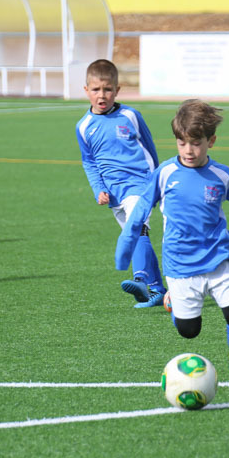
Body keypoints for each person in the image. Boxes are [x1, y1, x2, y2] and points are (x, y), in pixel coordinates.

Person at [115, 99, 229, 393]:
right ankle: (173, 300)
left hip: (219, 258)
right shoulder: (165, 173)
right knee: (189, 331)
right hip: (180, 264)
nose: (188, 150)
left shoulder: (223, 175)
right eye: (182, 143)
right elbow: (140, 211)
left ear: (211, 141)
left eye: (196, 143)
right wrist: (125, 248)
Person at [76, 59, 167, 307]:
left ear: (117, 90)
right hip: (115, 194)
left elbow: (149, 149)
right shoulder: (83, 127)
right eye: (96, 89)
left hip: (140, 185)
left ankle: (140, 279)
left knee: (136, 229)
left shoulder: (130, 116)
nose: (102, 95)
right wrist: (99, 189)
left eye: (107, 89)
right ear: (86, 90)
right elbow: (89, 163)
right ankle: (158, 290)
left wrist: (156, 183)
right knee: (138, 236)